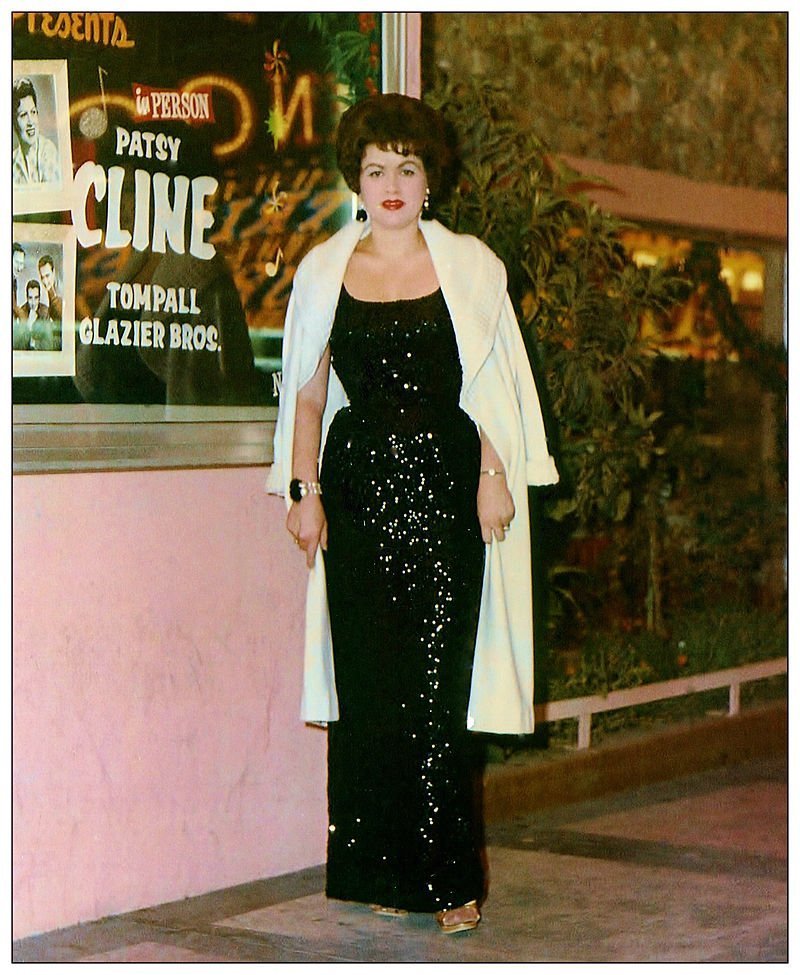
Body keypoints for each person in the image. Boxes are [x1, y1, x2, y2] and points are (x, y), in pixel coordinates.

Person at [267, 94, 558, 934]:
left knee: (437, 686)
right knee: (369, 688)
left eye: (406, 167)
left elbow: (491, 389)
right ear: (356, 180)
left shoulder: (470, 265)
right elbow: (308, 395)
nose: (391, 184)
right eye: (374, 169)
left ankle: (447, 877)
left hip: (444, 488)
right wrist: (303, 494)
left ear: (430, 179)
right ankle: (375, 869)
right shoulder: (325, 269)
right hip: (355, 494)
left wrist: (494, 474)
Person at [12, 77, 60, 185]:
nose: (31, 121)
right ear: (13, 122)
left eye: (33, 112)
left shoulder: (48, 151)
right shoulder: (12, 162)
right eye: (23, 115)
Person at [14, 279, 55, 350]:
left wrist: (33, 343)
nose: (33, 303)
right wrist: (29, 326)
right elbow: (18, 346)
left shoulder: (45, 312)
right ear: (26, 298)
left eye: (36, 298)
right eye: (30, 298)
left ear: (39, 298)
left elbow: (49, 344)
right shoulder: (21, 312)